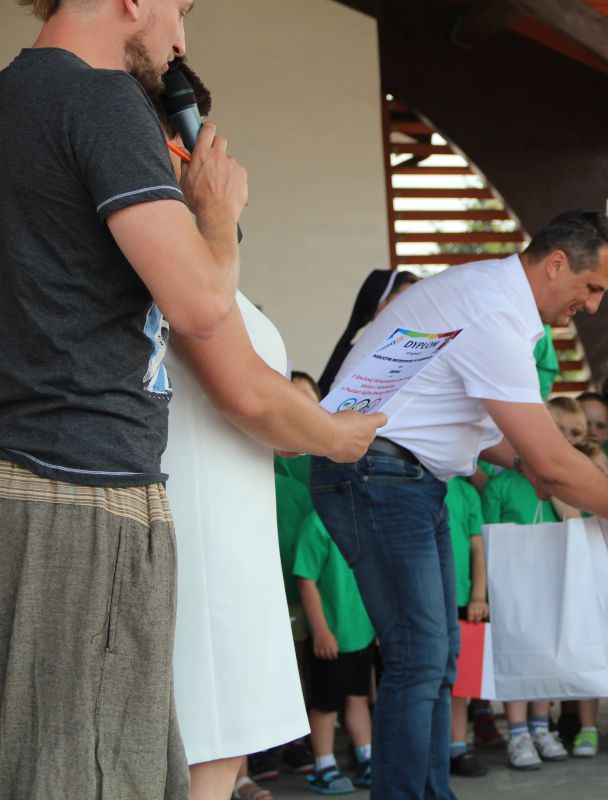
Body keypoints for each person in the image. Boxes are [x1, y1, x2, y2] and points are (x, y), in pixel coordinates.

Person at [308, 210, 608, 798]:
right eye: (591, 287)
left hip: (406, 475)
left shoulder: (492, 298)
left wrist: (530, 466)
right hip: (378, 472)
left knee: (438, 655)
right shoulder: (493, 310)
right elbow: (550, 460)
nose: (593, 305)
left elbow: (486, 434)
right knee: (418, 656)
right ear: (556, 263)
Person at [0, 1, 249, 793]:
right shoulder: (101, 97)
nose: (181, 39)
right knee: (96, 771)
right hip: (83, 484)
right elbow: (201, 305)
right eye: (179, 9)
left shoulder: (12, 98)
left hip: (20, 474)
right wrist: (217, 216)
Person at [154, 62, 385, 800]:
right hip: (198, 531)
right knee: (204, 750)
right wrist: (332, 436)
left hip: (233, 523)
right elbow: (242, 391)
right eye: (198, 140)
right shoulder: (167, 254)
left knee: (219, 757)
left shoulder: (198, 254)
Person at [479, 446, 569, 771]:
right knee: (515, 655)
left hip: (549, 581)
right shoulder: (498, 486)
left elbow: (573, 520)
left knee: (545, 653)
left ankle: (541, 727)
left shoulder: (558, 483)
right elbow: (487, 538)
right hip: (510, 586)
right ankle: (518, 733)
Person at [294, 510, 375, 794]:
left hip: (362, 631)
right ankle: (324, 764)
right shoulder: (317, 522)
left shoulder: (365, 518)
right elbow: (306, 578)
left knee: (358, 698)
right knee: (325, 705)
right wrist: (320, 629)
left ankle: (367, 756)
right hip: (331, 636)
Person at [446, 476, 490, 778]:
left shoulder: (465, 492)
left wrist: (478, 594)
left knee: (458, 681)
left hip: (461, 598)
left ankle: (457, 746)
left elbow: (477, 546)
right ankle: (428, 749)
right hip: (423, 601)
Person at [317, 270, 419, 396]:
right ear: (381, 305)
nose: (412, 309)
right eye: (405, 301)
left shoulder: (415, 352)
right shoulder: (352, 356)